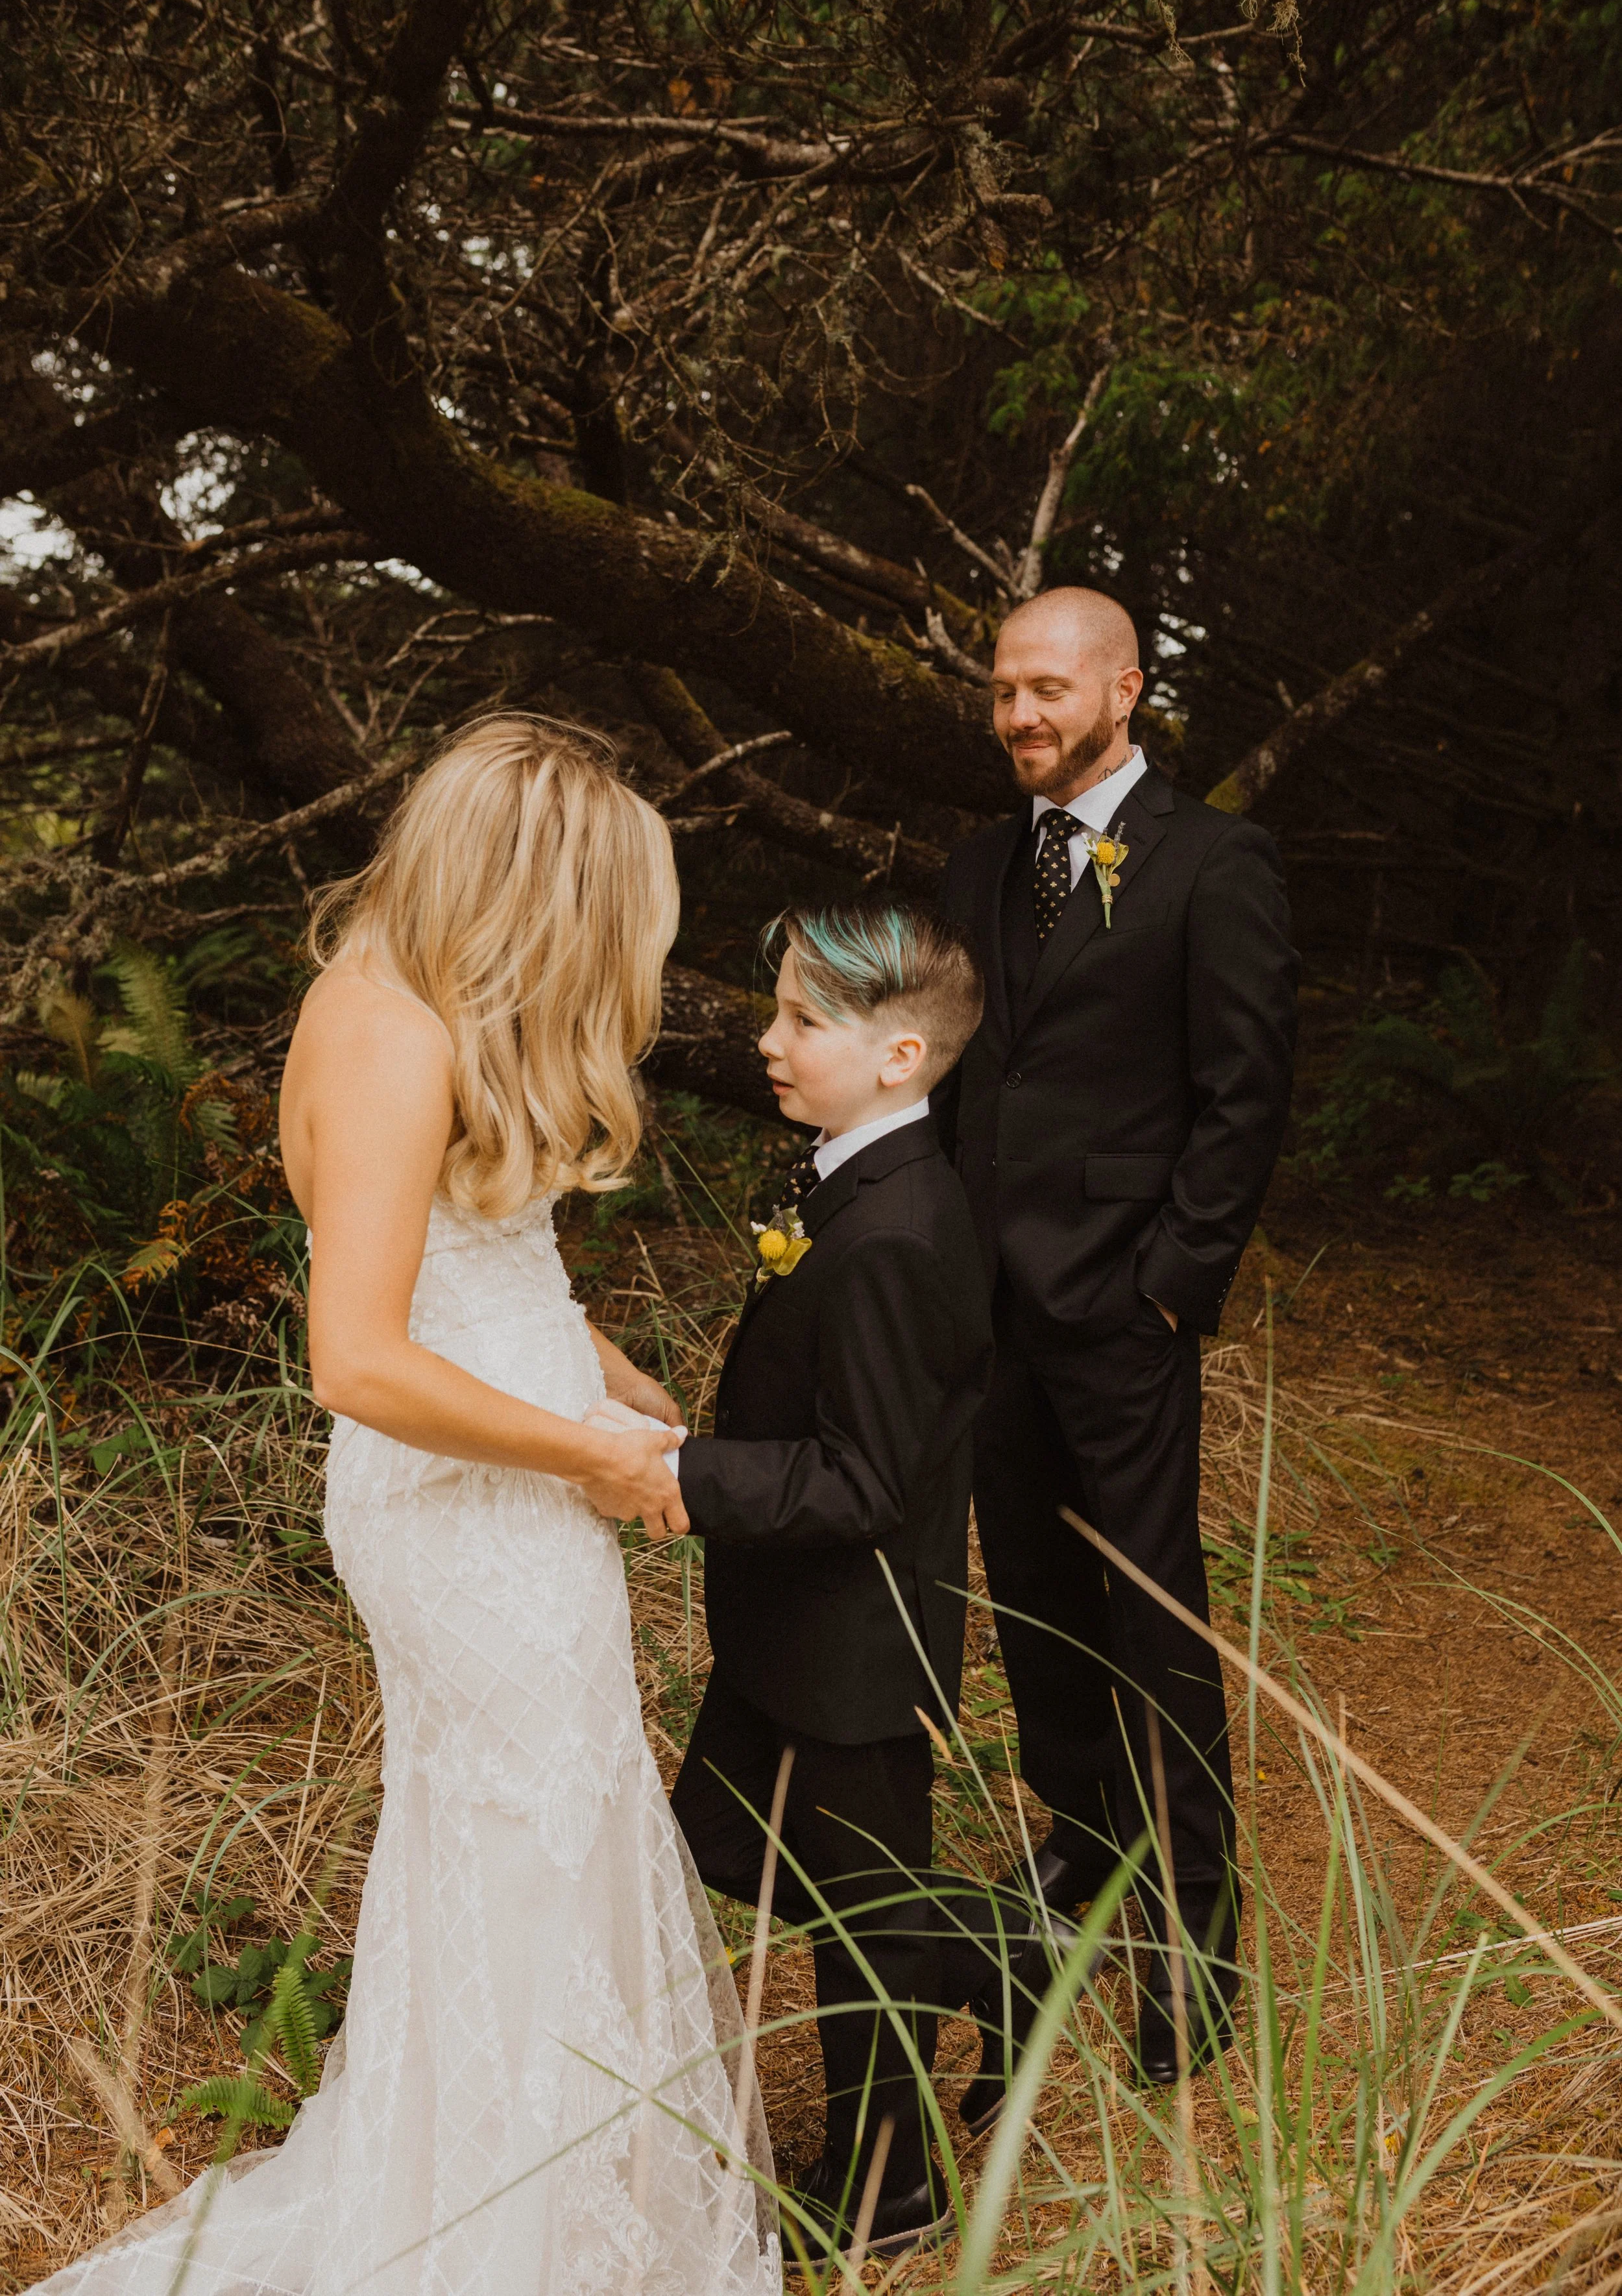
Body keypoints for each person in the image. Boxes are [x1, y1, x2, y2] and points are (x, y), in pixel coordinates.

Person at [38, 716, 781, 2294]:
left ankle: (550, 2207)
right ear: (528, 891)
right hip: (464, 1514)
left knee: (532, 1839)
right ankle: (505, 2242)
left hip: (513, 1474)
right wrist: (582, 1454)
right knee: (534, 1834)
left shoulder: (421, 1006)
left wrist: (599, 1366)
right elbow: (359, 1356)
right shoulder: (384, 1032)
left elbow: (455, 1257)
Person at [934, 587, 1299, 2086]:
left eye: (1046, 689)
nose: (1020, 714)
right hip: (986, 1316)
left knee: (1155, 1621)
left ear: (1124, 689)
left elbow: (1244, 1090)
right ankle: (1079, 1854)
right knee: (1029, 1605)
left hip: (1120, 1311)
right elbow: (949, 1071)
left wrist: (1172, 1283)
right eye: (1002, 691)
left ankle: (1191, 1946)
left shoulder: (1214, 863)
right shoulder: (973, 867)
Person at [654, 904, 1039, 2267]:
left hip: (854, 1639)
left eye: (802, 1021)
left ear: (901, 1054)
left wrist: (683, 1479)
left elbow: (865, 1484)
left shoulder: (898, 1230)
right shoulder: (851, 1177)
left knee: (864, 1938)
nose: (767, 1040)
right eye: (776, 1011)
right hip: (791, 1625)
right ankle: (997, 1955)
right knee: (722, 1846)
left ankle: (890, 2189)